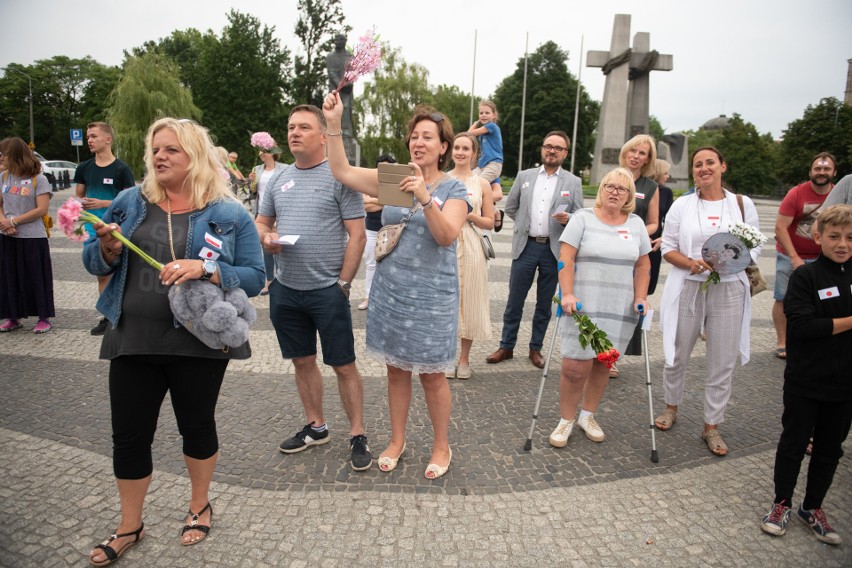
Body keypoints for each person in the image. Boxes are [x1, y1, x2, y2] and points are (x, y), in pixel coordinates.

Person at [82, 117, 265, 565]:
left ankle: (199, 505)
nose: (160, 157)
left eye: (172, 150)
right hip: (133, 336)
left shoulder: (228, 213)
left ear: (195, 157)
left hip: (198, 341)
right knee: (128, 435)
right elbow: (92, 258)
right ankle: (129, 525)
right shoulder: (129, 202)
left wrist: (207, 269)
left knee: (196, 427)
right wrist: (106, 248)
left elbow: (258, 276)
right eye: (156, 149)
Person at [323, 93, 469, 480]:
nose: (418, 142)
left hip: (433, 295)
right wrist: (334, 124)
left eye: (427, 137)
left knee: (432, 375)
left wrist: (424, 197)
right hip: (392, 291)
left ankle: (441, 445)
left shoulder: (454, 190)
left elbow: (446, 236)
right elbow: (341, 171)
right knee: (395, 371)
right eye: (414, 136)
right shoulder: (393, 177)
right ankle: (397, 439)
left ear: (443, 147)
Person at [254, 105, 372, 472]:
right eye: (290, 127)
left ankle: (357, 433)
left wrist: (343, 283)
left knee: (343, 365)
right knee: (302, 360)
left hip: (327, 290)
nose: (294, 133)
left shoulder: (341, 177)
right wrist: (266, 238)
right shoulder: (278, 179)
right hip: (286, 288)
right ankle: (316, 425)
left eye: (304, 127)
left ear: (323, 136)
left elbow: (357, 235)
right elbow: (261, 222)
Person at [655, 147, 761, 457]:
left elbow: (754, 248)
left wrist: (730, 263)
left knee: (722, 360)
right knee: (676, 352)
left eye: (709, 163)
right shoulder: (682, 205)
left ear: (722, 166)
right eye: (697, 164)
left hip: (729, 289)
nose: (703, 168)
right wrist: (690, 263)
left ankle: (711, 425)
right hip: (689, 285)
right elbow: (667, 249)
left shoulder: (742, 205)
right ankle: (671, 407)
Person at [760, 204, 852, 546]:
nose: (842, 243)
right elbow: (804, 326)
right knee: (794, 443)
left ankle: (812, 507)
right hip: (806, 378)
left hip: (845, 383)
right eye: (834, 236)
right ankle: (781, 502)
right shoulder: (806, 276)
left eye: (850, 237)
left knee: (830, 449)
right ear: (818, 237)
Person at [549, 168, 650, 447]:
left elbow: (643, 264)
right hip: (581, 304)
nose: (615, 192)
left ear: (629, 196)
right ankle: (566, 419)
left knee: (604, 363)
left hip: (618, 306)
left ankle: (588, 415)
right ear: (602, 189)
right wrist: (566, 293)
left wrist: (641, 296)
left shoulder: (636, 224)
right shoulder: (582, 218)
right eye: (610, 186)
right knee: (573, 366)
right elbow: (566, 258)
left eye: (622, 188)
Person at [485, 131, 584, 369]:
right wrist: (523, 224)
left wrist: (568, 218)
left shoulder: (573, 182)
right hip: (526, 246)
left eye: (557, 148)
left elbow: (580, 216)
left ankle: (535, 348)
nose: (552, 150)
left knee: (544, 303)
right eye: (548, 146)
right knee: (514, 300)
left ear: (565, 153)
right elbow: (511, 207)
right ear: (542, 149)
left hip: (553, 249)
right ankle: (506, 346)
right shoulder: (525, 176)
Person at [772, 152, 836, 359]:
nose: (821, 172)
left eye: (826, 169)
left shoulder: (837, 195)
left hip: (823, 260)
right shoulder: (796, 193)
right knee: (783, 298)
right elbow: (781, 228)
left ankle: (817, 341)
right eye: (817, 168)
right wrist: (794, 257)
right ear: (810, 171)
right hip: (790, 255)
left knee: (823, 300)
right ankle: (782, 341)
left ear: (834, 172)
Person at [74, 122, 136, 335]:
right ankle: (107, 316)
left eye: (94, 136)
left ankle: (122, 313)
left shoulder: (121, 169)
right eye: (88, 136)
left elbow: (131, 202)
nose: (89, 140)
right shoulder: (84, 168)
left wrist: (103, 204)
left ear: (108, 139)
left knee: (123, 273)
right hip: (94, 229)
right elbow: (79, 196)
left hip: (117, 228)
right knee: (102, 274)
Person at [447, 132, 495, 379]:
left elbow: (490, 221)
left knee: (471, 301)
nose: (460, 152)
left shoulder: (482, 184)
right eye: (457, 147)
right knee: (445, 302)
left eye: (466, 148)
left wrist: (470, 215)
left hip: (472, 243)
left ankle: (464, 359)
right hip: (446, 243)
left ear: (474, 153)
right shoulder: (442, 180)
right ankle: (445, 356)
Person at [614, 134, 660, 378]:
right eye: (633, 150)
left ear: (647, 159)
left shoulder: (650, 187)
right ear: (626, 152)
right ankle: (598, 349)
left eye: (642, 153)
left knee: (629, 302)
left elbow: (653, 223)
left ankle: (614, 355)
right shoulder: (613, 178)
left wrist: (636, 232)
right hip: (611, 249)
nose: (636, 156)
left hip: (634, 251)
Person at [0, 137, 54, 334]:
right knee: (9, 277)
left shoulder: (38, 179)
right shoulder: (4, 177)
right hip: (8, 236)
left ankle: (43, 317)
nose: (1, 157)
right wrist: (4, 223)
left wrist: (14, 221)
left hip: (32, 237)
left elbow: (41, 209)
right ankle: (13, 317)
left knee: (36, 277)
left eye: (3, 153)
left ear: (13, 154)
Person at [248, 133, 287, 296]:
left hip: (279, 212)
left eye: (263, 151)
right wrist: (251, 182)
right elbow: (253, 191)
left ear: (271, 152)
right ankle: (270, 281)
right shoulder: (256, 169)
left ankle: (283, 279)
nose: (261, 154)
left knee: (281, 246)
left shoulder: (284, 168)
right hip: (262, 213)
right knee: (266, 246)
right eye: (259, 152)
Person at [358, 155, 394, 311]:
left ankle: (387, 298)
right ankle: (368, 297)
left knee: (390, 265)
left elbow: (391, 202)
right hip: (371, 229)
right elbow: (364, 205)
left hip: (390, 230)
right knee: (371, 264)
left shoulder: (395, 186)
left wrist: (380, 201)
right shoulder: (369, 184)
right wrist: (381, 201)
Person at [468, 100, 504, 233]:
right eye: (481, 113)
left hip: (494, 164)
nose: (483, 115)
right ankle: (496, 212)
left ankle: (482, 214)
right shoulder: (484, 133)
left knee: (477, 186)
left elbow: (469, 133)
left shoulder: (492, 127)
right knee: (469, 181)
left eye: (487, 113)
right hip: (483, 164)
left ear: (494, 115)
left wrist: (475, 124)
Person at [649, 158, 675, 295]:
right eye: (665, 173)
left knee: (649, 286)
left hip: (655, 244)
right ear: (658, 172)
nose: (667, 176)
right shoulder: (643, 188)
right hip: (637, 238)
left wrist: (663, 237)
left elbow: (670, 220)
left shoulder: (666, 192)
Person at [326, 34, 354, 138]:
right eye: (336, 39)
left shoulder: (350, 56)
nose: (337, 41)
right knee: (333, 108)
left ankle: (346, 131)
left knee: (347, 108)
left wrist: (348, 82)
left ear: (344, 41)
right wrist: (340, 84)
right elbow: (331, 72)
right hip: (335, 89)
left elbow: (353, 71)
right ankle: (333, 130)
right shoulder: (330, 56)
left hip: (348, 88)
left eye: (340, 39)